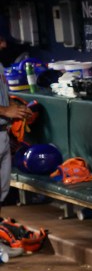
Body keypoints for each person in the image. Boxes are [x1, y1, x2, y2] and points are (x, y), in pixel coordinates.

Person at [0, 18, 32, 216]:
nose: (4, 45)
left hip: (3, 133)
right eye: (0, 39)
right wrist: (5, 111)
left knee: (2, 193)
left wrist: (15, 109)